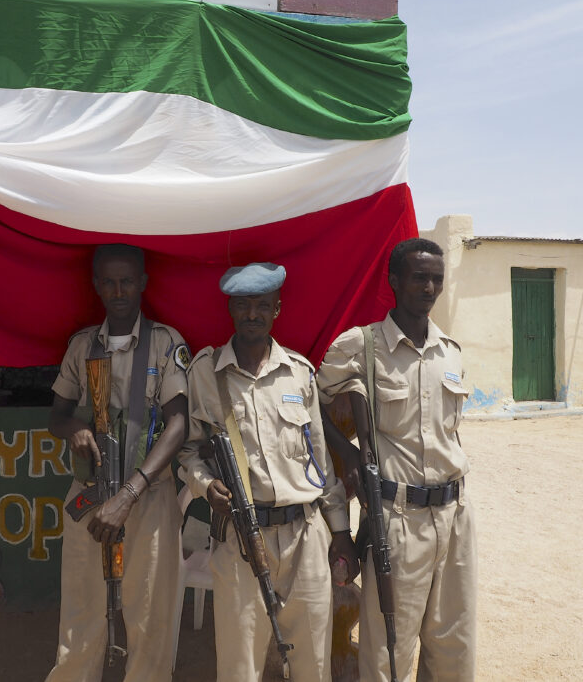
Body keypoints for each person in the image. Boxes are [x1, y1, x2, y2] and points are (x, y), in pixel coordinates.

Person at [178, 262, 358, 682]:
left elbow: (320, 463)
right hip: (240, 538)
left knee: (312, 663)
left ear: (277, 309)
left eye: (262, 305)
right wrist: (205, 486)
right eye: (243, 305)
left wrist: (340, 533)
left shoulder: (299, 372)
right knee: (239, 665)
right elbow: (189, 451)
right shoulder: (206, 373)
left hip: (304, 536)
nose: (252, 314)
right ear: (231, 309)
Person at [317, 238, 476, 682]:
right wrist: (346, 450)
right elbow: (310, 402)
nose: (429, 288)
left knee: (454, 645)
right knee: (390, 651)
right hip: (399, 520)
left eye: (436, 279)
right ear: (394, 281)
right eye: (419, 277)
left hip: (456, 516)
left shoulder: (450, 352)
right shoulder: (362, 345)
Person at [45, 244, 190, 682]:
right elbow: (56, 415)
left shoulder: (166, 343)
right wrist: (75, 429)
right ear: (97, 286)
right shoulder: (83, 345)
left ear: (143, 283)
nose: (119, 291)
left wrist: (128, 494)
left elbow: (178, 424)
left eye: (127, 281)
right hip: (91, 495)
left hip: (148, 496)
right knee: (81, 614)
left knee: (150, 616)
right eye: (109, 282)